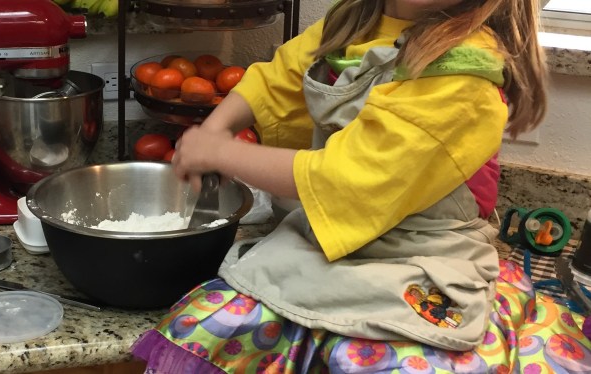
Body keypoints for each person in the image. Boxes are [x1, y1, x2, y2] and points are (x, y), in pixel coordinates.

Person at [132, 0, 552, 372]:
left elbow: (345, 178)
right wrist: (216, 127)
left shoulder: (464, 77)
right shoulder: (355, 19)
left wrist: (219, 153)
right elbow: (278, 80)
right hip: (324, 240)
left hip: (420, 254)